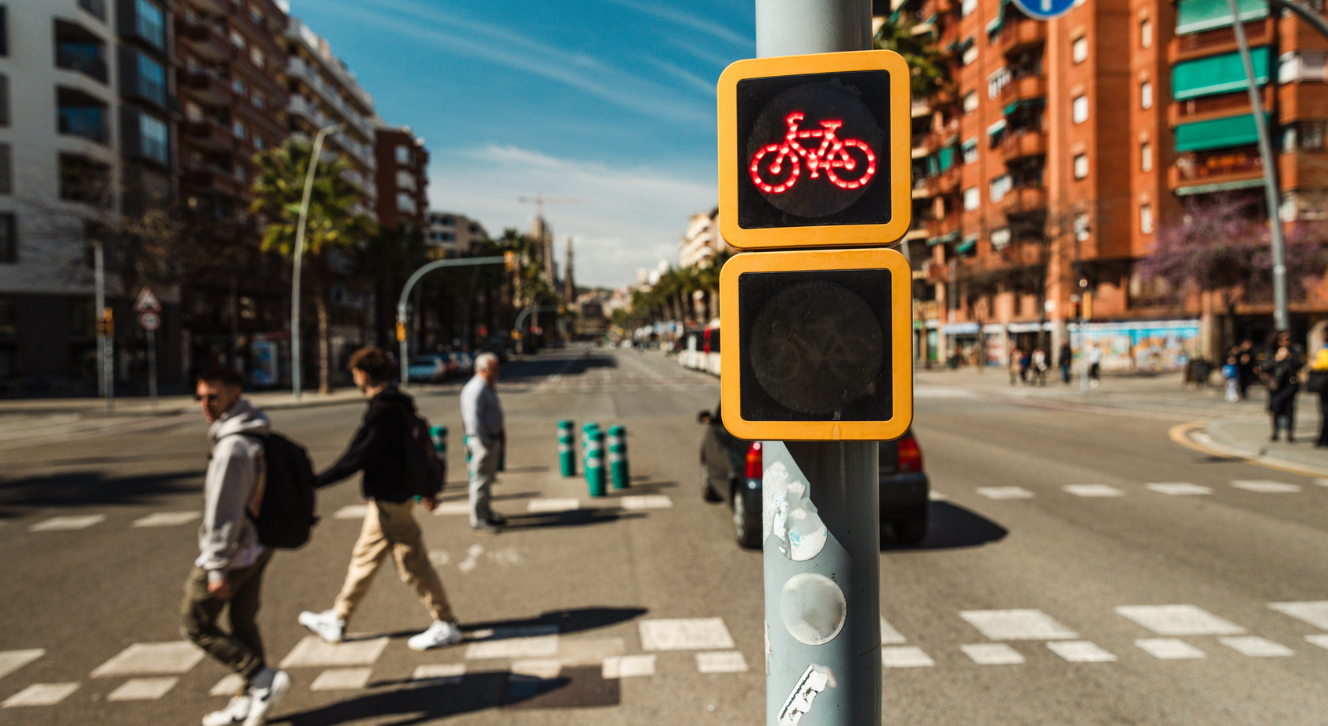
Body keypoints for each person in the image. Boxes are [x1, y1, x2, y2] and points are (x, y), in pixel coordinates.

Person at [297, 348, 463, 652]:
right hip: (390, 497)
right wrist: (424, 489)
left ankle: (446, 622)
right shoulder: (399, 405)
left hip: (390, 500)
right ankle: (339, 617)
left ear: (362, 374)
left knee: (413, 565)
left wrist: (315, 482)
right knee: (366, 559)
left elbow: (357, 456)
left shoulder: (382, 410)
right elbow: (408, 455)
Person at [184, 368, 290, 726]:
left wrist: (216, 567)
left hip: (236, 551)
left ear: (234, 394)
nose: (205, 405)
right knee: (242, 619)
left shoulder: (233, 446)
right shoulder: (252, 432)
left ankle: (262, 678)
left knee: (195, 623)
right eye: (200, 397)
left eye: (213, 396)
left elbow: (223, 512)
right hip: (258, 543)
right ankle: (249, 698)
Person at [462, 352, 507, 530]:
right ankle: (478, 519)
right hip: (482, 442)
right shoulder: (476, 388)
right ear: (483, 370)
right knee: (480, 481)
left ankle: (486, 512)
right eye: (493, 369)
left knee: (487, 481)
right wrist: (485, 440)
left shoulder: (486, 386)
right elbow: (473, 419)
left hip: (489, 440)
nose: (497, 373)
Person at [1260, 333, 1301, 442]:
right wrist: (1276, 358)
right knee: (1276, 407)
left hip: (1290, 383)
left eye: (1288, 339)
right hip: (1276, 384)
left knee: (1290, 408)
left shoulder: (1294, 350)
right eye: (1282, 339)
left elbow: (1300, 365)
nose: (1285, 342)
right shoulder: (1271, 351)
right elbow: (1264, 367)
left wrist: (1290, 357)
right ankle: (1275, 432)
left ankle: (1290, 433)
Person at [1311, 341, 1328, 447]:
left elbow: (1315, 364)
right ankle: (1323, 437)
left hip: (1324, 383)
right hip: (1324, 385)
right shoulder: (1323, 348)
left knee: (1325, 413)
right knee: (1325, 413)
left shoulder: (1323, 348)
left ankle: (1323, 438)